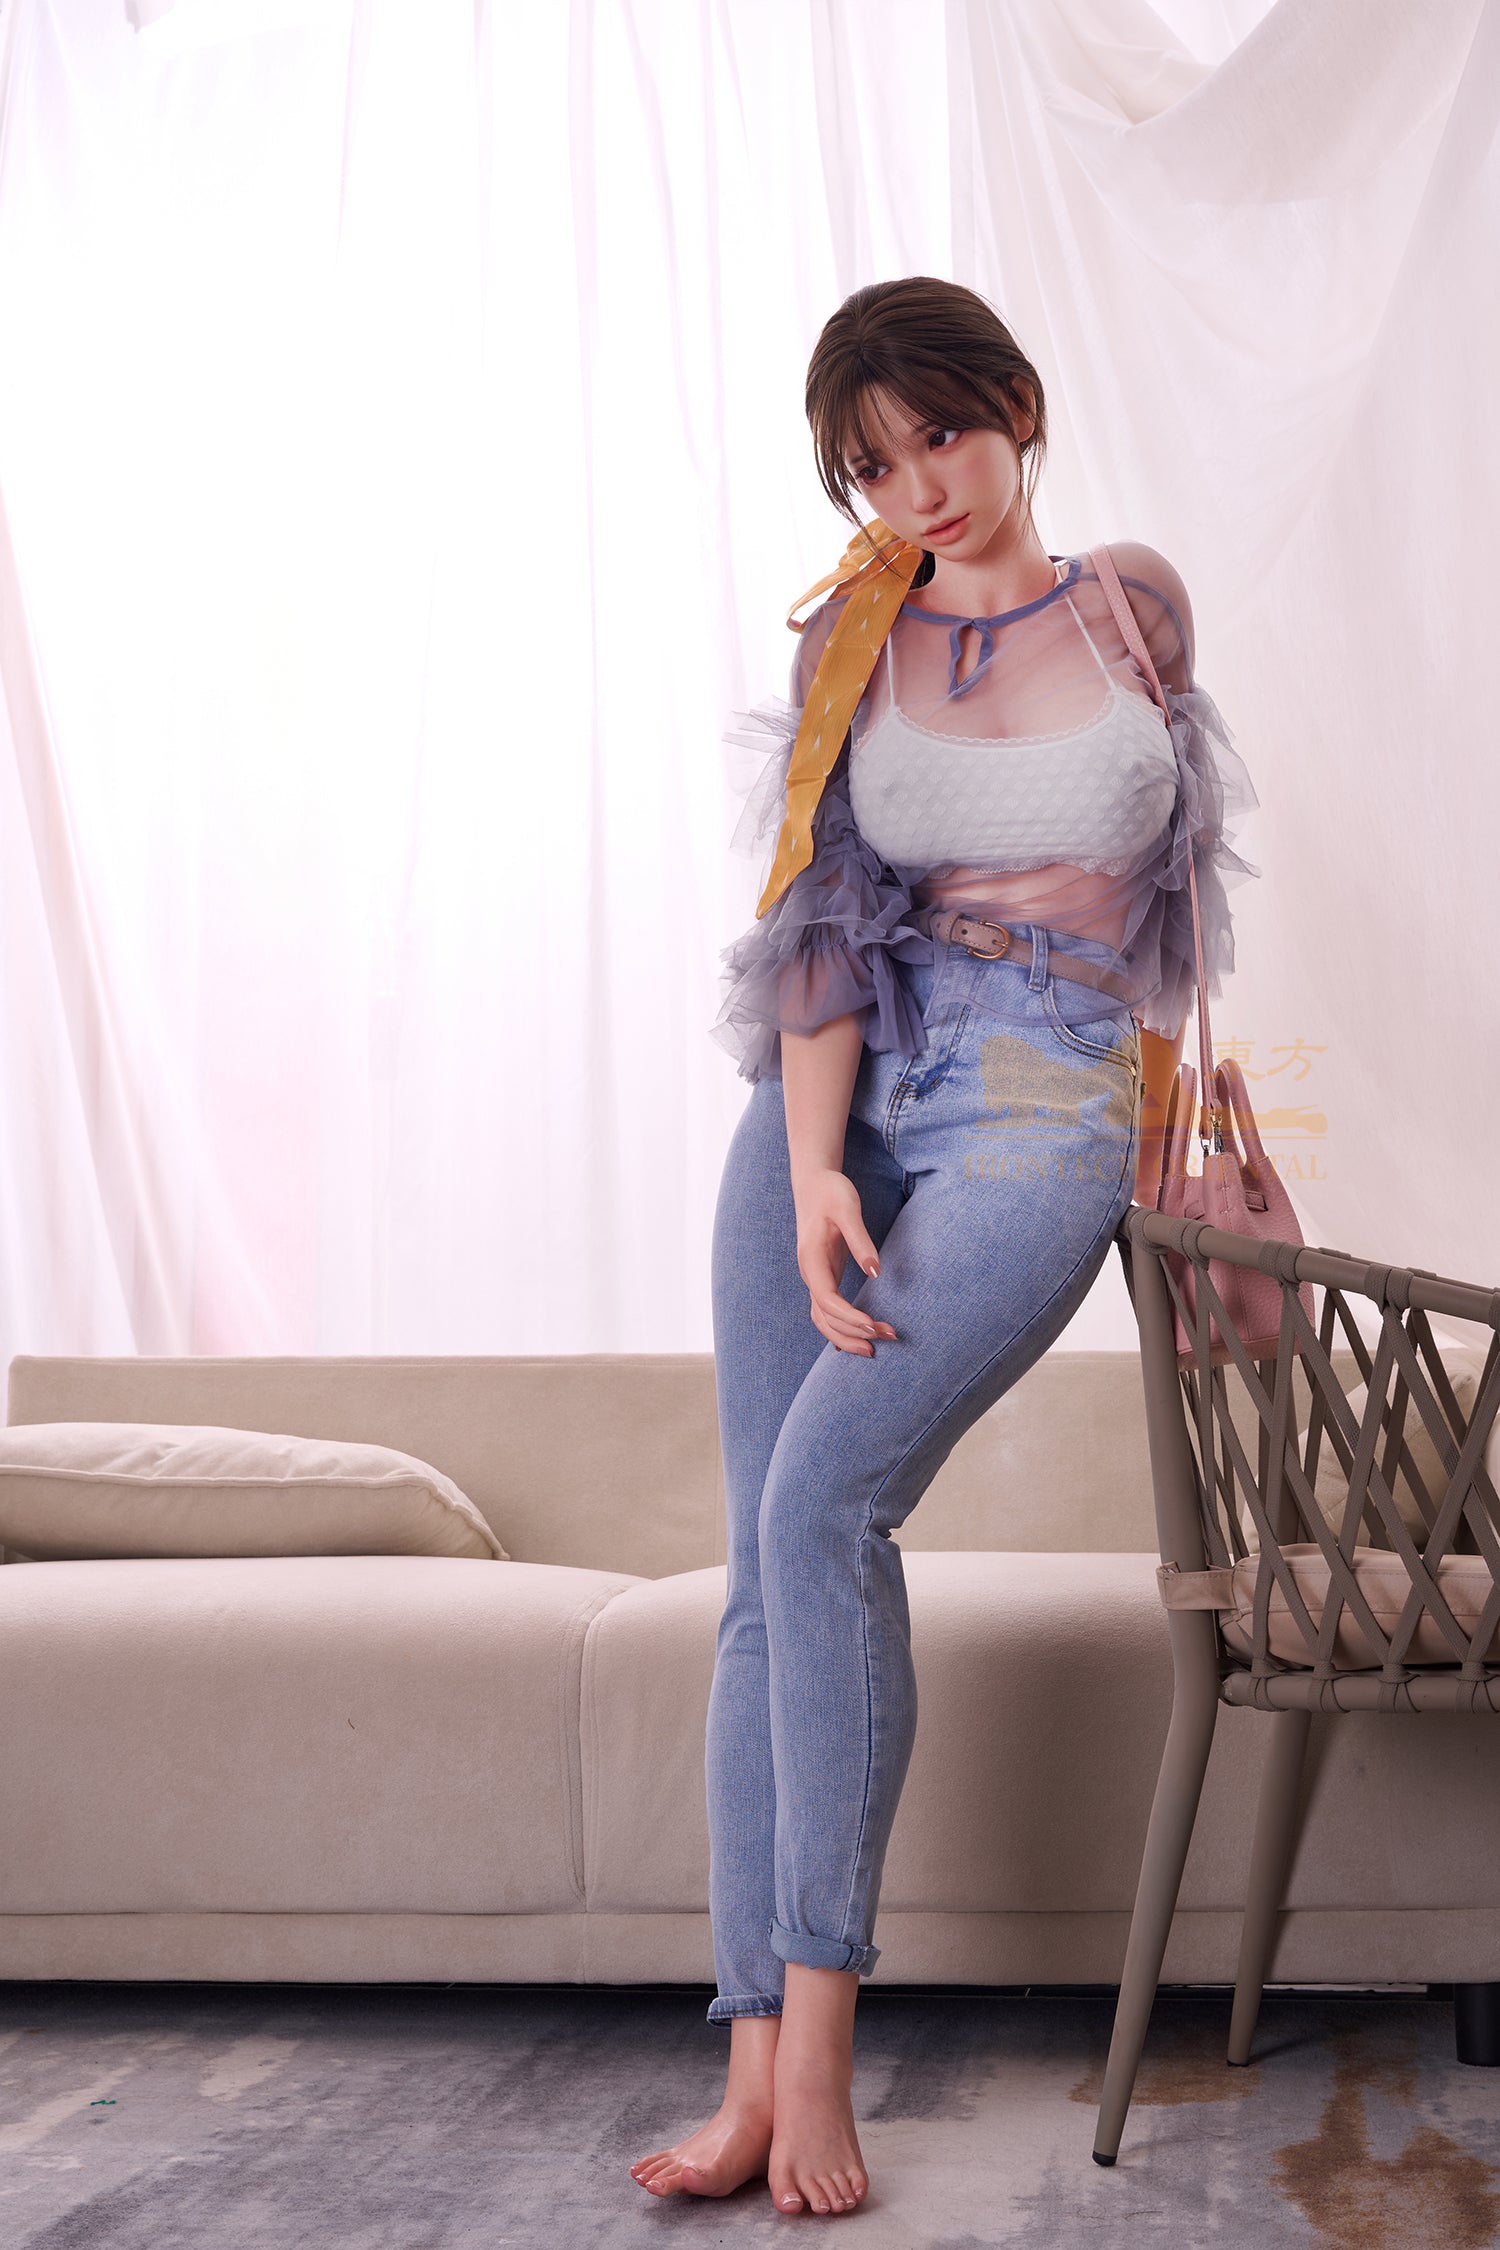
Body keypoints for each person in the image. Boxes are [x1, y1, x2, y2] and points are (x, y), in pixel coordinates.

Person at [630, 276, 1259, 2218]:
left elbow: (1171, 900)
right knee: (766, 1560)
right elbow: (821, 926)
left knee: (826, 1504)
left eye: (944, 434)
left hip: (1047, 1096)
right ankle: (752, 2065)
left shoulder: (1130, 606)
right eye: (875, 464)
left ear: (1017, 408)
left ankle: (821, 2054)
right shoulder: (853, 632)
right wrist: (815, 1165)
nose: (921, 485)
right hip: (846, 1095)